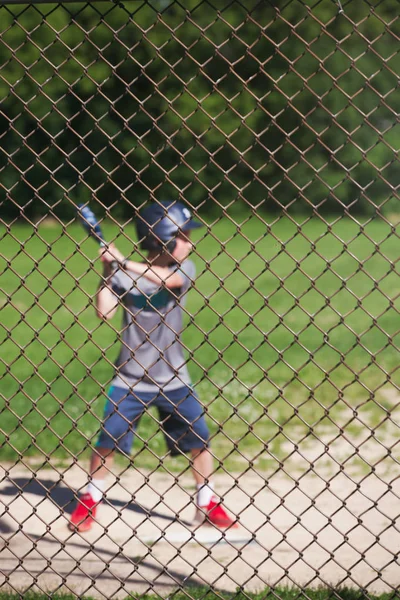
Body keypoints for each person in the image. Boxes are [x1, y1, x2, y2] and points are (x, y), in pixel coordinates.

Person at [69, 201, 237, 532]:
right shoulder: (126, 273)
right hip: (130, 377)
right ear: (160, 239)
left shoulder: (183, 270)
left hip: (173, 376)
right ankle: (91, 498)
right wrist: (109, 270)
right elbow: (104, 311)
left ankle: (207, 502)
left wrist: (123, 262)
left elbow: (168, 281)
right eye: (183, 236)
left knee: (198, 439)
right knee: (108, 439)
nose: (191, 243)